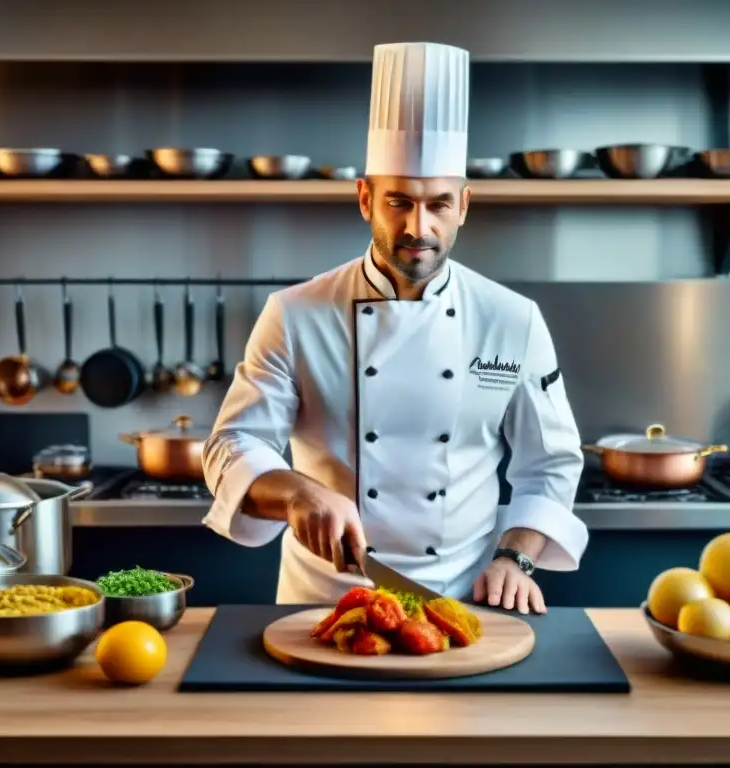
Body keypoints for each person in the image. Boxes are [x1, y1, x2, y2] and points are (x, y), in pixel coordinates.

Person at [202, 41, 588, 614]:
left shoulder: (512, 319)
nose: (418, 227)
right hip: (322, 604)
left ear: (463, 204)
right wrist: (295, 492)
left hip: (462, 604)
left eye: (437, 204)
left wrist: (516, 559)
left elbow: (550, 464)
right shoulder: (295, 313)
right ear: (365, 199)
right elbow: (231, 446)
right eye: (399, 202)